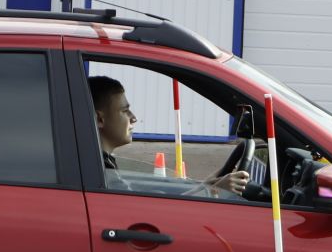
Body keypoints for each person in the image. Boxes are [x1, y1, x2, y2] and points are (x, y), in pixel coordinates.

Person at [91, 75, 249, 195]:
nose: (134, 118)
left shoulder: (98, 163)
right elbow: (144, 213)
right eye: (125, 111)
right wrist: (213, 191)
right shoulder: (98, 170)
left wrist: (211, 184)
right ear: (100, 119)